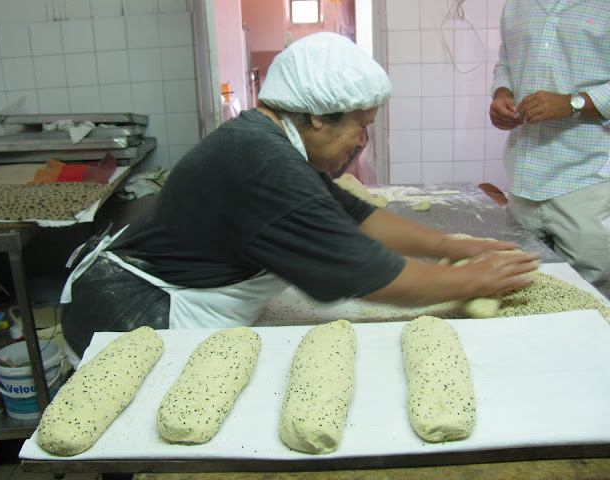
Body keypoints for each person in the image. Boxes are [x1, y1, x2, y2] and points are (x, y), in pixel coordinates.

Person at [60, 32, 538, 367]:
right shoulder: (264, 163)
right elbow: (363, 271)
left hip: (167, 298)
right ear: (318, 117)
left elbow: (357, 217)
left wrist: (454, 247)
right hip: (135, 318)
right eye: (361, 126)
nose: (363, 142)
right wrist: (473, 280)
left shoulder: (272, 143)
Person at [489, 0, 610, 297]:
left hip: (587, 178)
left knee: (590, 294)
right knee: (521, 290)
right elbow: (506, 62)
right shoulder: (517, 5)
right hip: (524, 174)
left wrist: (574, 103)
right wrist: (502, 93)